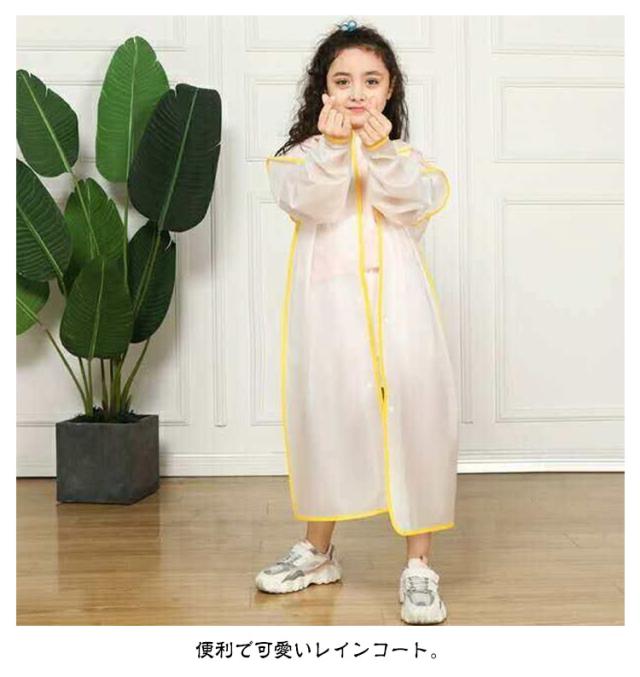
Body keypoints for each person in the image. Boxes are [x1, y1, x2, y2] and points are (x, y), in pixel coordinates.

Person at [256, 20, 457, 625]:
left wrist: (378, 153)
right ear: (324, 90)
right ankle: (318, 552)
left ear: (390, 89)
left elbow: (411, 204)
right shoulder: (299, 159)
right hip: (329, 311)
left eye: (371, 80)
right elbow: (313, 205)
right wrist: (334, 151)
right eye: (343, 80)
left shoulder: (407, 161)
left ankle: (419, 566)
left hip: (403, 307)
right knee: (328, 414)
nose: (357, 92)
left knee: (417, 415)